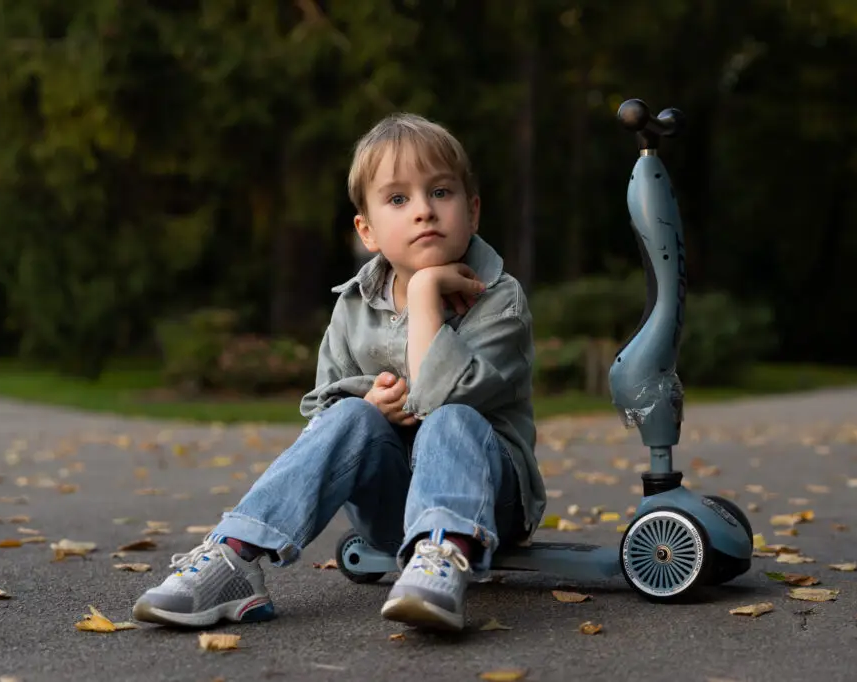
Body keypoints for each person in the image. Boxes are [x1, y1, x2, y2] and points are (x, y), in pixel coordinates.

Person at [131, 112, 547, 632]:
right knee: (353, 414)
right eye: (398, 199)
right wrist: (370, 403)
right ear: (367, 231)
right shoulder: (353, 307)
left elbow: (445, 398)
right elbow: (321, 414)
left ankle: (442, 559)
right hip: (390, 510)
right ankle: (234, 556)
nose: (423, 211)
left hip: (487, 507)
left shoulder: (499, 299)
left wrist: (422, 296)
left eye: (441, 192)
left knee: (452, 420)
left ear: (473, 210)